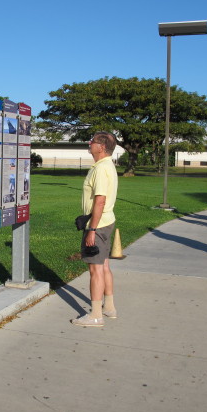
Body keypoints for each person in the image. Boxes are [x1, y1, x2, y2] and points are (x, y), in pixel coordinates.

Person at [71, 131, 119, 327]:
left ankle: (96, 315)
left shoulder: (101, 169)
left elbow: (100, 200)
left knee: (95, 269)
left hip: (98, 225)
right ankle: (109, 307)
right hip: (107, 222)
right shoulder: (107, 165)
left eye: (92, 142)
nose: (89, 144)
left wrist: (92, 229)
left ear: (102, 147)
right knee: (105, 265)